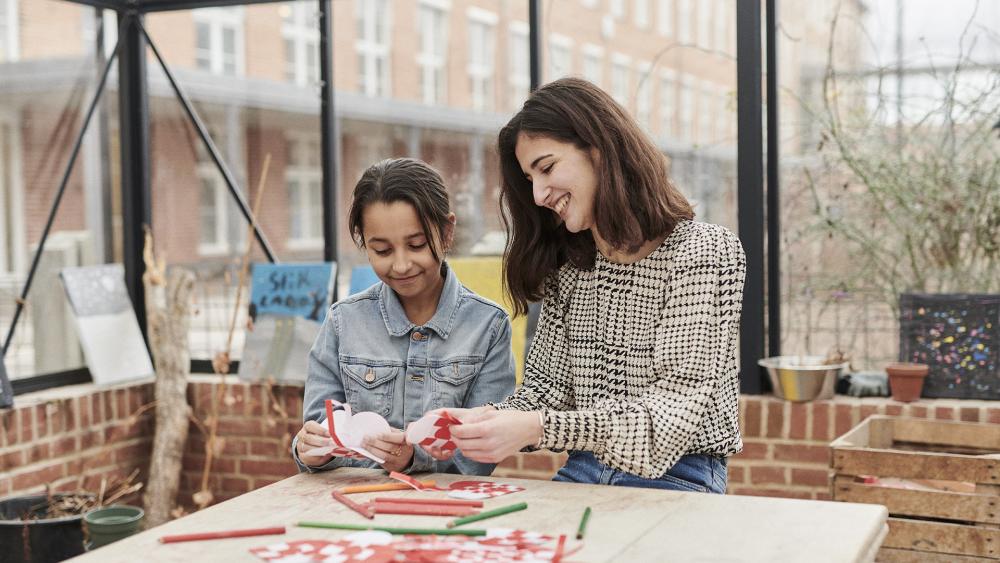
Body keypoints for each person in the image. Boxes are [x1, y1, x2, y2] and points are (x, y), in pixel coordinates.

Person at [423, 78, 746, 493]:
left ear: (599, 150)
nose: (538, 195)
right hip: (585, 472)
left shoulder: (703, 252)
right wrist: (477, 420)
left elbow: (666, 424)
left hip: (680, 476)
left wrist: (536, 427)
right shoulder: (573, 270)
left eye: (547, 167)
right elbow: (545, 391)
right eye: (529, 179)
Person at [292, 158, 516, 476]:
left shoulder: (488, 326)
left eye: (416, 245)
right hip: (352, 507)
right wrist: (312, 450)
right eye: (382, 251)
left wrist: (416, 459)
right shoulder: (343, 322)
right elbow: (320, 430)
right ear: (363, 243)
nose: (400, 265)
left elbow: (481, 455)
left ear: (447, 232)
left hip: (444, 509)